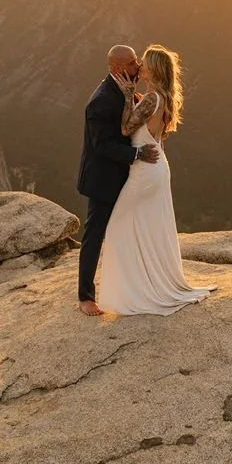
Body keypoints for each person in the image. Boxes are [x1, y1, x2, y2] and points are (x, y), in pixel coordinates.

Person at [96, 44, 216, 316]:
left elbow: (126, 128)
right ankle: (147, 283)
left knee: (118, 224)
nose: (140, 66)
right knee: (148, 226)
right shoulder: (161, 96)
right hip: (156, 166)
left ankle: (140, 290)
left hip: (146, 169)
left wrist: (128, 96)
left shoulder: (151, 98)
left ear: (155, 69)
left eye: (145, 63)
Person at [75, 43, 161, 317]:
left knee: (130, 231)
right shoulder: (101, 101)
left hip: (128, 176)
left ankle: (136, 287)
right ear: (116, 68)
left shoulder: (127, 92)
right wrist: (136, 153)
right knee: (95, 235)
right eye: (133, 63)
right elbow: (102, 146)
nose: (138, 67)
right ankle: (85, 297)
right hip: (103, 180)